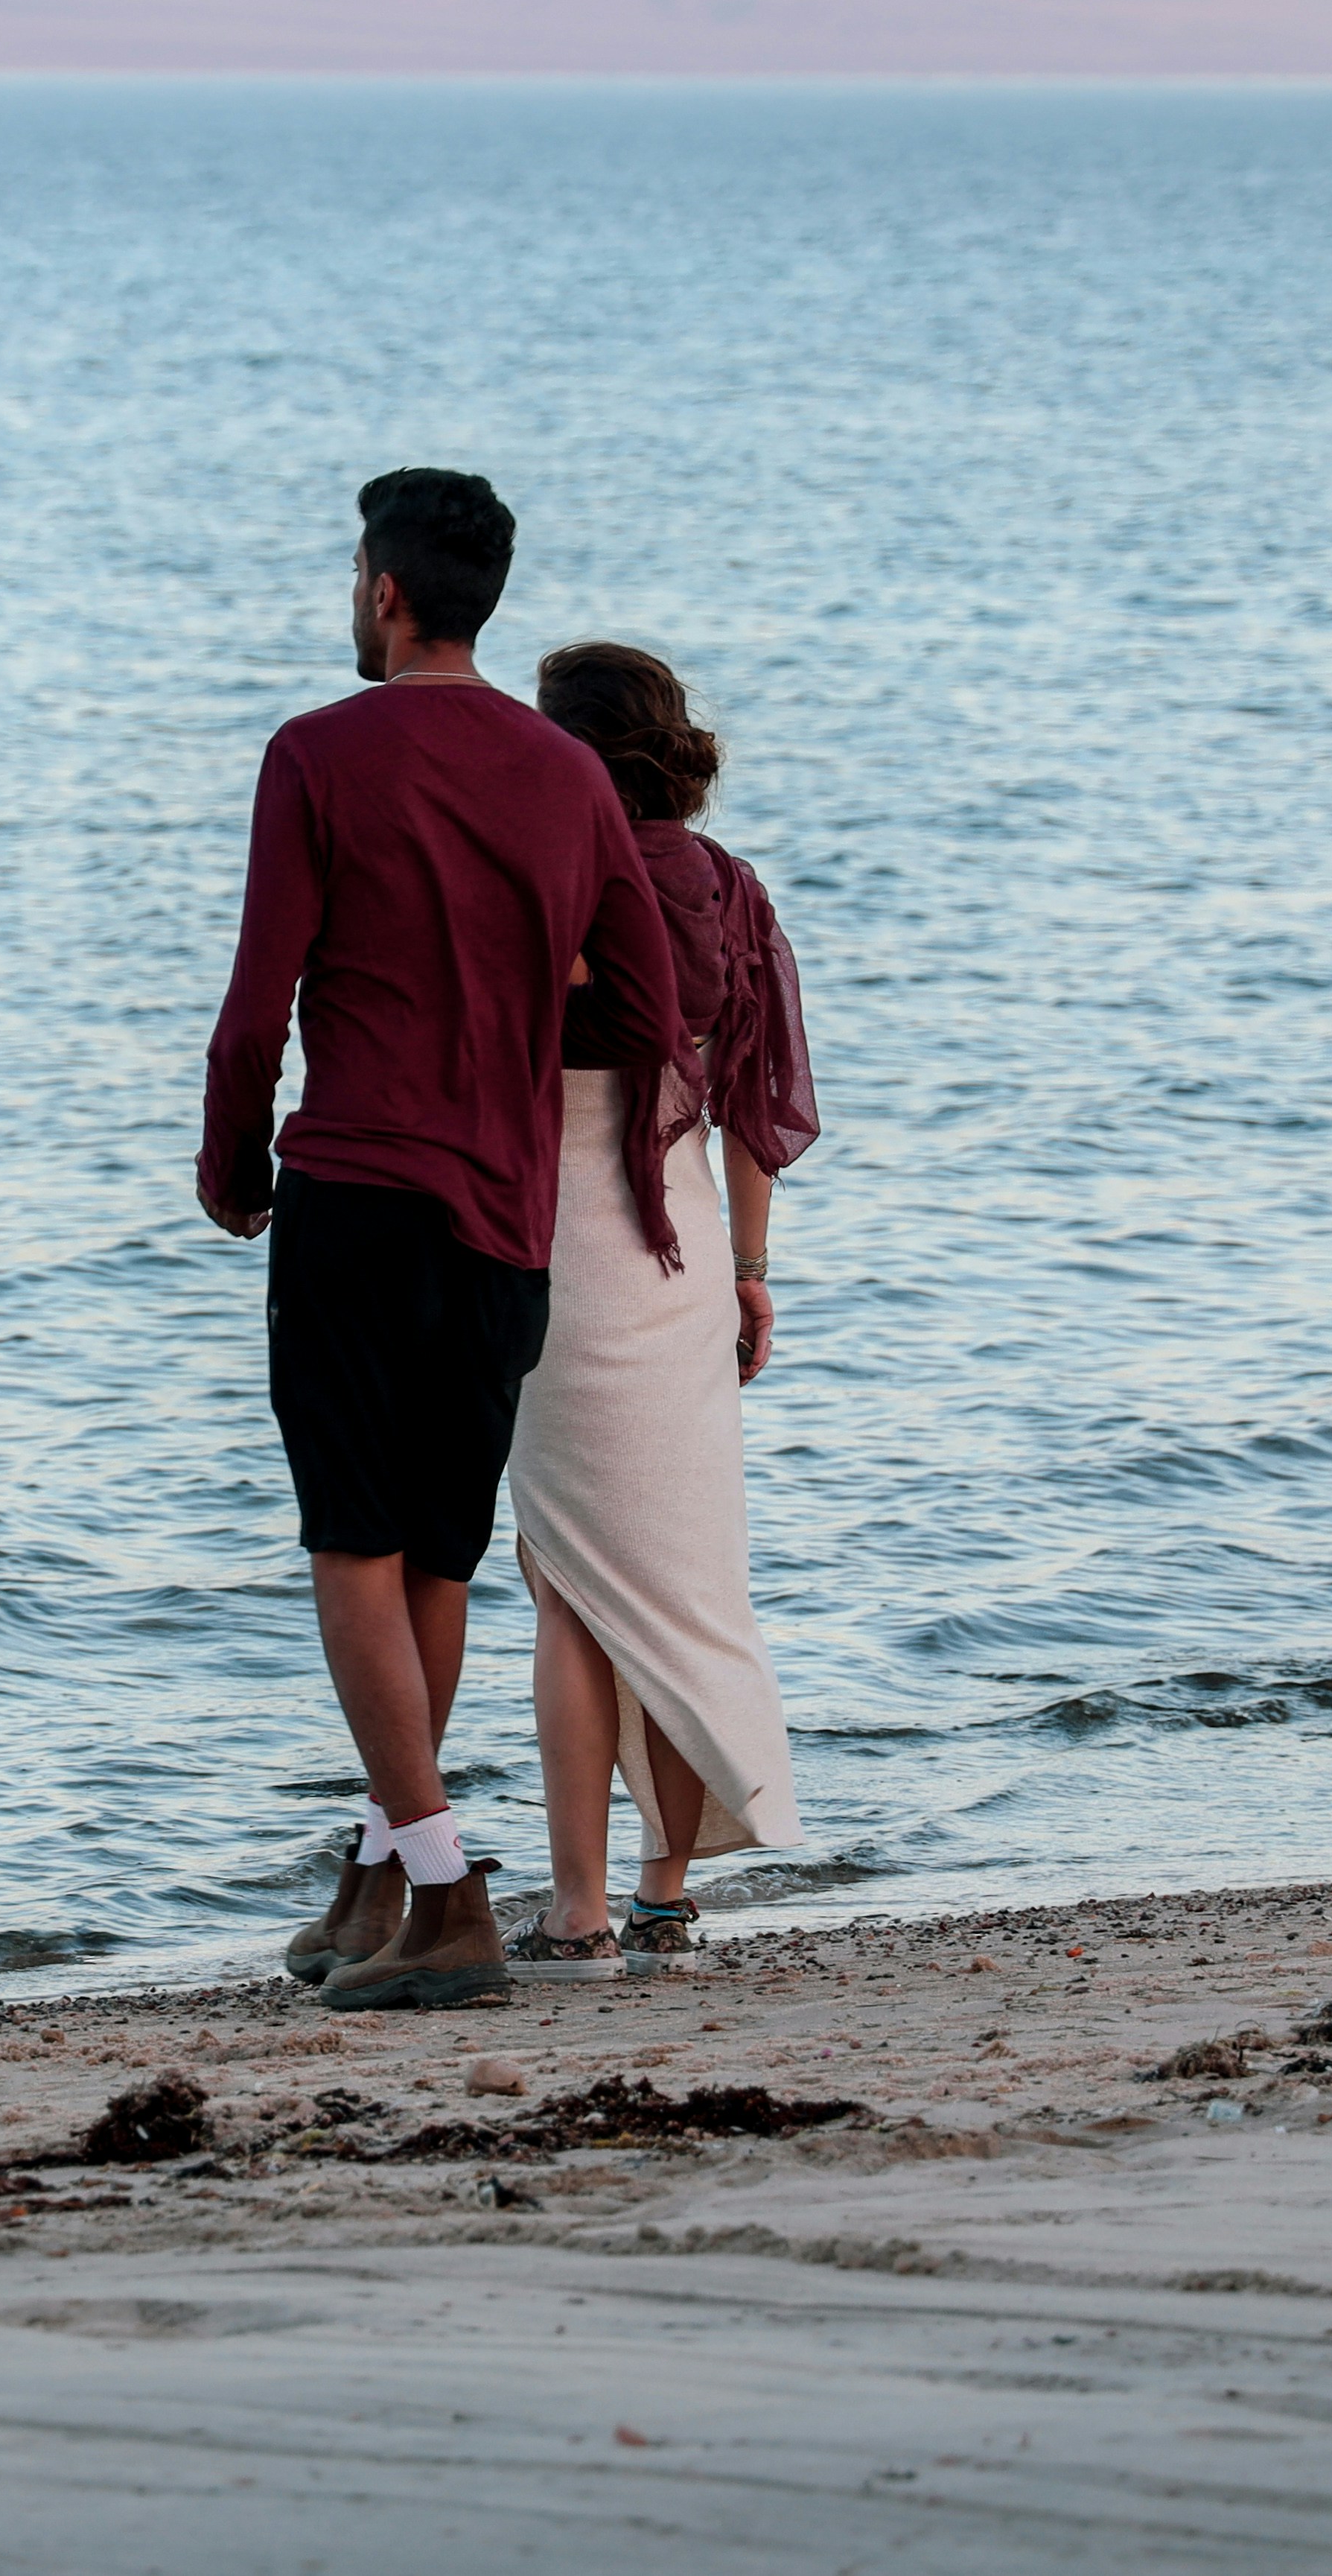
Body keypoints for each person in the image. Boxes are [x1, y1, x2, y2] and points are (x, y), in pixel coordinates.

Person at [198, 471, 686, 2013]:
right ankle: (381, 1879)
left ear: (389, 592)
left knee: (351, 1536)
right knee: (440, 1552)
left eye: (356, 573)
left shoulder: (318, 753)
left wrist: (229, 1162)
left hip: (358, 1191)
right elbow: (651, 1001)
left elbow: (258, 997)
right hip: (502, 1213)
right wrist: (517, 1029)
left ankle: (445, 1890)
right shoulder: (567, 776)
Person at [499, 640, 820, 1980]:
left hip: (547, 1239)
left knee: (570, 1589)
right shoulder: (727, 892)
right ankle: (664, 1894)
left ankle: (573, 1908)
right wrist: (751, 1270)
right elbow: (750, 1108)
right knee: (681, 1578)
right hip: (676, 1238)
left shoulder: (531, 885)